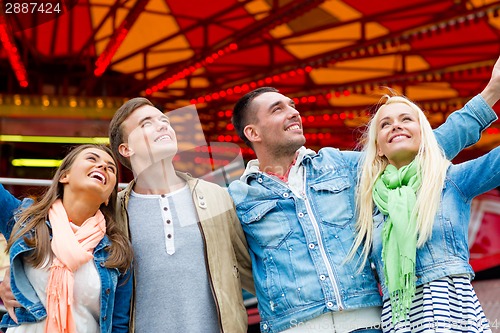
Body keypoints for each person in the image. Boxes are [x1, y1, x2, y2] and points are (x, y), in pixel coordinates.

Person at [227, 57, 500, 333]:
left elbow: (421, 150)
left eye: (292, 106)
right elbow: (231, 265)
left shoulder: (340, 166)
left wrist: (491, 92)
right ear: (252, 132)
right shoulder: (237, 198)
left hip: (366, 324)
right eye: (278, 109)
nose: (293, 112)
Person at [353, 95, 498, 332]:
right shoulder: (369, 202)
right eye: (385, 124)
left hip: (453, 311)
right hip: (400, 318)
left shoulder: (450, 180)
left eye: (406, 119)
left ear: (424, 135)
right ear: (378, 147)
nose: (396, 125)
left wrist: (493, 90)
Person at [108, 97, 254, 332]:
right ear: (126, 149)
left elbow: (252, 271)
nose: (163, 125)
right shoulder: (111, 212)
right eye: (146, 123)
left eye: (164, 120)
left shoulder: (217, 196)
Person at [0, 144, 133, 333]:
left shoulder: (117, 250)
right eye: (92, 159)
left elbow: (119, 325)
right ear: (64, 176)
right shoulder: (24, 221)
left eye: (111, 168)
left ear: (108, 197)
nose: (103, 166)